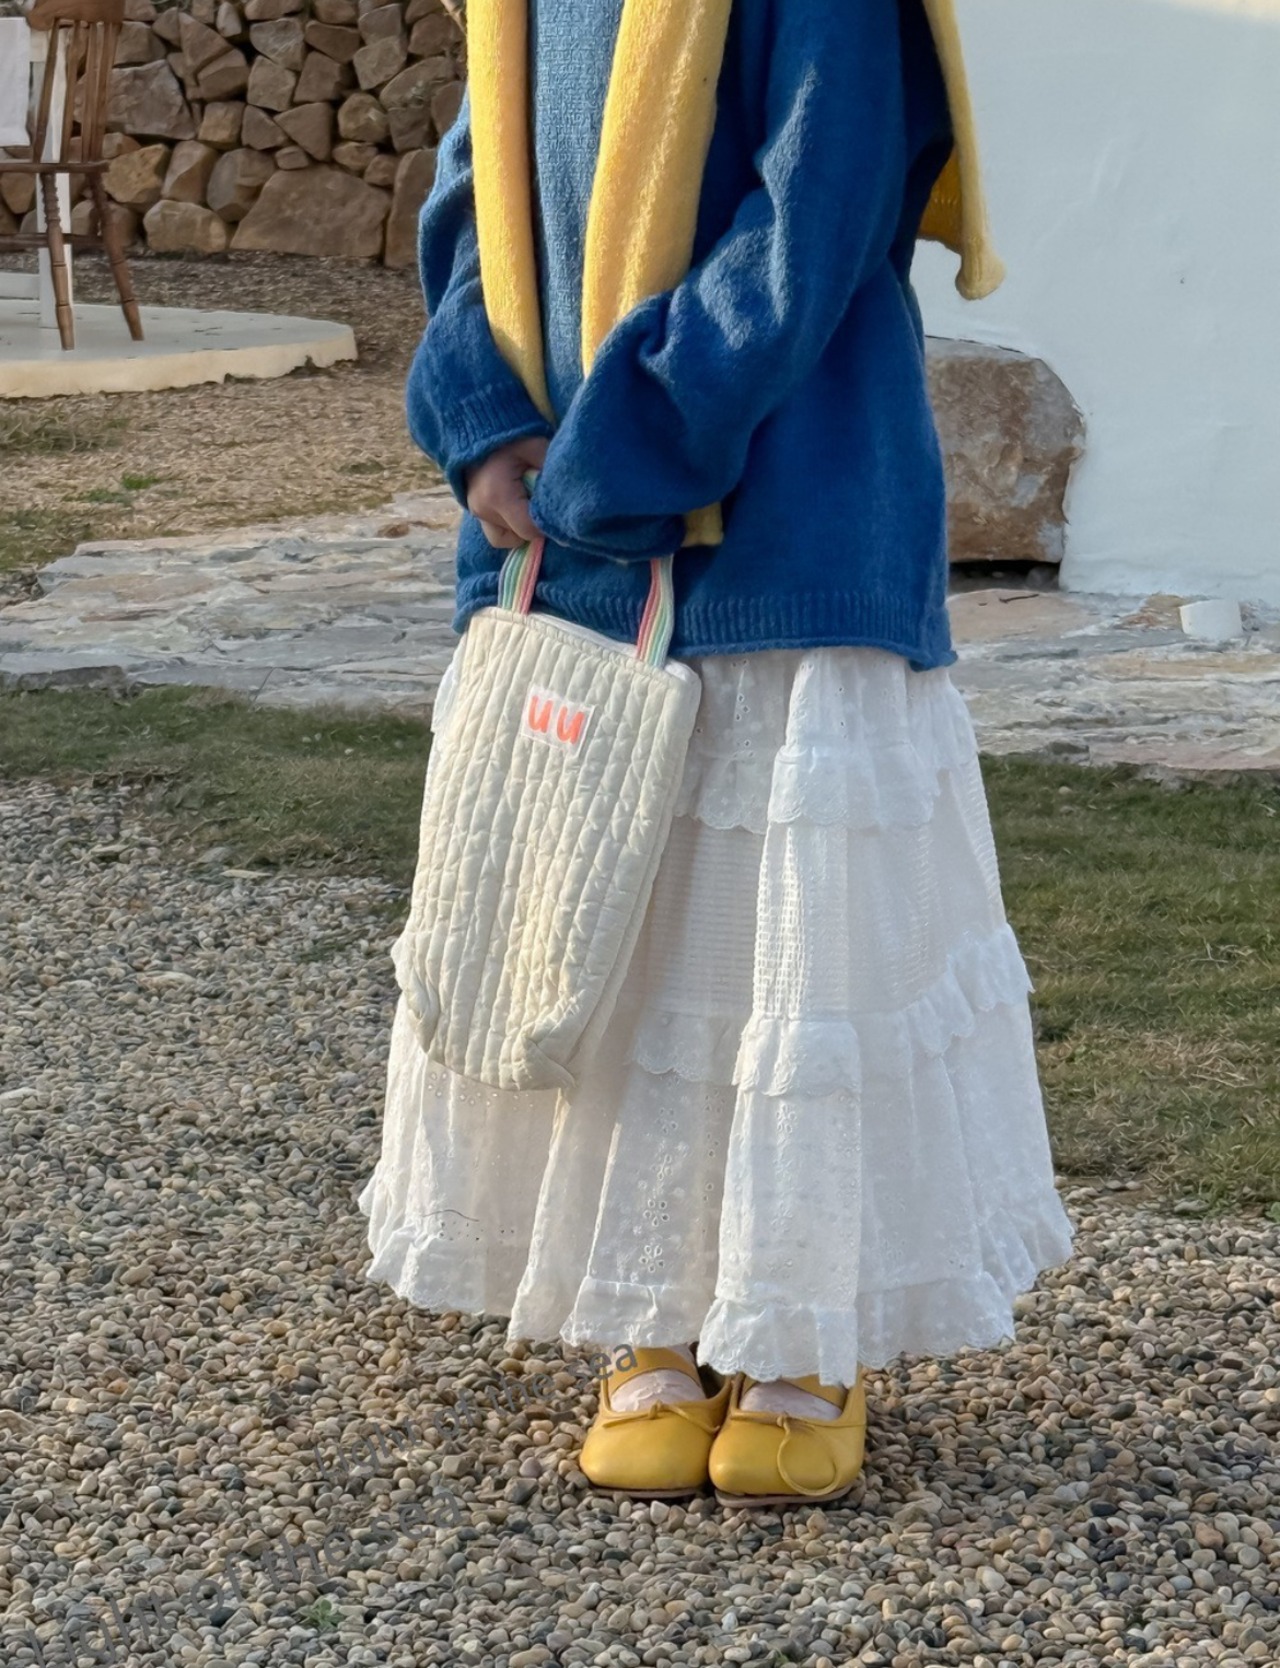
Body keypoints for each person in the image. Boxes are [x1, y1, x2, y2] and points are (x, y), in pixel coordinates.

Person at [357, 0, 1075, 1507]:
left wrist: (627, 444)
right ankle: (651, 1314)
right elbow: (475, 190)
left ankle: (805, 1333)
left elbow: (820, 212)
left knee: (789, 952)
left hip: (789, 506)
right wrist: (483, 420)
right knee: (623, 937)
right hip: (571, 513)